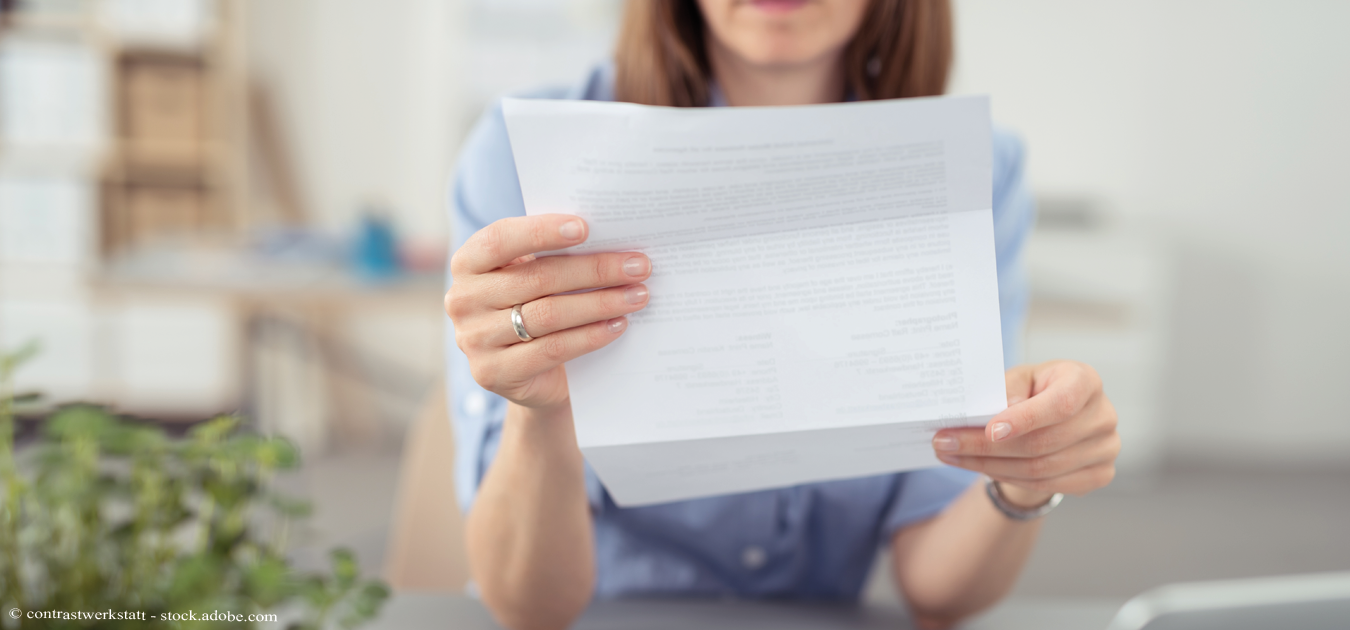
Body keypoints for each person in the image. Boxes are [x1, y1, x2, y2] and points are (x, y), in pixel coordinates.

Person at [443, 1, 1121, 629]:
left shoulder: (975, 168)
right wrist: (541, 411)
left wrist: (1023, 475)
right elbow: (529, 605)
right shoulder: (523, 155)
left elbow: (936, 586)